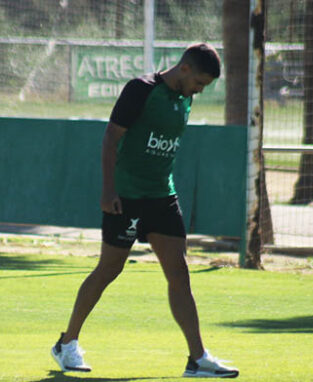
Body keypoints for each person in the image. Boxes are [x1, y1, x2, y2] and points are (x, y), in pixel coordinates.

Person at [50, 43, 239, 378]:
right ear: (184, 68)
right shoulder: (141, 90)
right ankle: (67, 343)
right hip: (127, 196)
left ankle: (197, 359)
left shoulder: (185, 98)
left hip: (161, 196)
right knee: (109, 270)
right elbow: (111, 137)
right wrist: (109, 190)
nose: (199, 90)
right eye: (199, 82)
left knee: (179, 273)